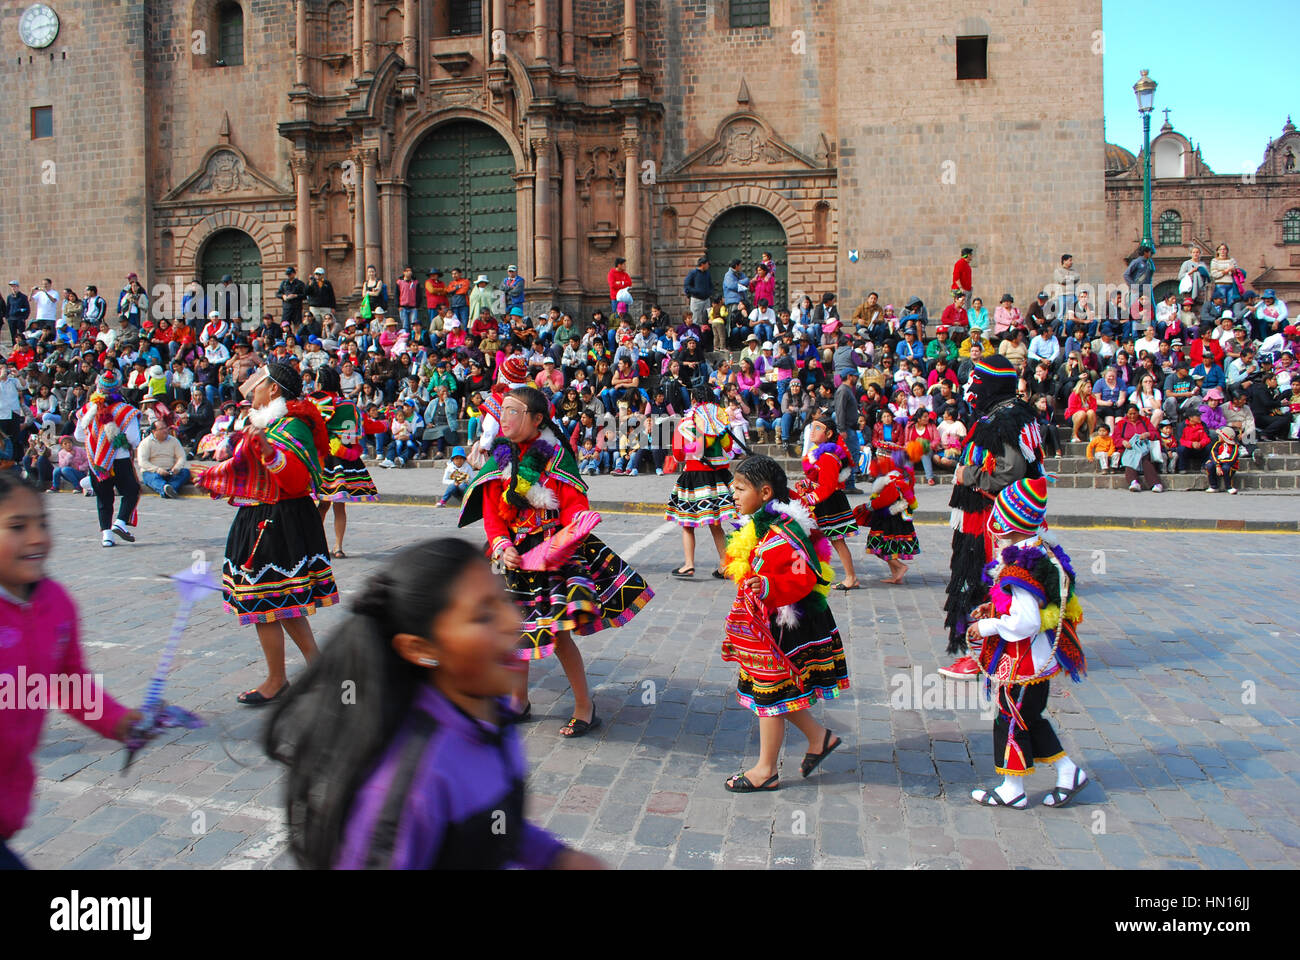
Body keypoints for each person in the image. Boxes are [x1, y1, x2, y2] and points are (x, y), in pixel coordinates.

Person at [262, 538, 603, 870]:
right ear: (421, 649)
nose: (513, 623)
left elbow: (495, 824)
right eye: (483, 616)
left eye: (506, 601)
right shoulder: (407, 784)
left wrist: (555, 857)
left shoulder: (490, 710)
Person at [457, 386, 652, 735]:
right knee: (512, 630)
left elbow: (574, 504)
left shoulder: (556, 457)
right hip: (512, 555)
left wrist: (574, 528)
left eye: (513, 411)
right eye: (502, 410)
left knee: (559, 636)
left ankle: (584, 706)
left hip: (552, 554)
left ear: (536, 419)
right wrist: (501, 544)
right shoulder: (499, 458)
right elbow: (491, 513)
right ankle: (518, 701)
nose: (504, 417)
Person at [0, 475, 144, 869]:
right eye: (17, 527)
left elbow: (69, 682)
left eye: (42, 523)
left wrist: (118, 721)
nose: (35, 538)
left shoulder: (56, 605)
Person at [197, 362, 337, 705]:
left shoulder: (293, 425)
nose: (251, 387)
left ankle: (277, 679)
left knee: (265, 600)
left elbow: (295, 480)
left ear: (273, 388)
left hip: (277, 521)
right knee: (282, 601)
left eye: (258, 382)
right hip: (263, 516)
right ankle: (318, 669)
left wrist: (270, 452)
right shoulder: (270, 424)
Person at [721, 455, 849, 792]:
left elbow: (804, 575)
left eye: (740, 488)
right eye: (733, 487)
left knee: (771, 696)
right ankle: (819, 738)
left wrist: (767, 586)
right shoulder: (761, 522)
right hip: (768, 623)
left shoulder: (783, 532)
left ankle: (766, 771)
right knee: (782, 692)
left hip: (785, 625)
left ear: (764, 493)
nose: (732, 494)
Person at [967, 477, 1088, 809]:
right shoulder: (1042, 551)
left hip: (1024, 660)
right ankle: (1068, 772)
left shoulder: (1019, 567)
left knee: (1010, 719)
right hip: (1040, 657)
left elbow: (1026, 621)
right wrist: (994, 608)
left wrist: (988, 625)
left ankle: (1012, 787)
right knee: (1029, 717)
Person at [941, 354, 1045, 681]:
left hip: (991, 521)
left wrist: (967, 474)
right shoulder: (1000, 415)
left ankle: (983, 654)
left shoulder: (1005, 420)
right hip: (986, 517)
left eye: (977, 380)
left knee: (986, 583)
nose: (971, 386)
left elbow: (1009, 472)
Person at [666, 385, 740, 578]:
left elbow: (679, 454)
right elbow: (729, 446)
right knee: (716, 523)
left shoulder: (687, 422)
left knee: (687, 523)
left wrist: (695, 446)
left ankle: (689, 564)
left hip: (695, 476)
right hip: (718, 476)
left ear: (693, 401)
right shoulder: (720, 420)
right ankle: (725, 564)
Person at [309, 365, 382, 559]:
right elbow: (367, 426)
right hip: (347, 461)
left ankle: (314, 545)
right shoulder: (349, 405)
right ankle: (338, 547)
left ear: (321, 382)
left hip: (326, 460)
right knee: (339, 505)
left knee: (323, 504)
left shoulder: (317, 402)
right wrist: (385, 424)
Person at [73, 369, 143, 548]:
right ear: (118, 389)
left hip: (97, 461)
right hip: (119, 460)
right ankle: (120, 522)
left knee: (103, 498)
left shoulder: (87, 409)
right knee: (131, 490)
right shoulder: (126, 411)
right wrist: (114, 443)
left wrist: (98, 440)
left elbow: (79, 436)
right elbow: (134, 439)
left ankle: (107, 536)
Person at [795, 413, 859, 590]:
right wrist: (807, 485)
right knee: (814, 538)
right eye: (812, 428)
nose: (812, 432)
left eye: (818, 428)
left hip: (830, 503)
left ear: (829, 433)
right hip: (824, 501)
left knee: (837, 540)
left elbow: (827, 486)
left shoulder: (829, 456)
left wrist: (807, 498)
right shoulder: (823, 455)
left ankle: (851, 576)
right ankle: (810, 573)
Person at [854, 452, 920, 584]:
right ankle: (896, 574)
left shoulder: (892, 481)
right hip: (898, 518)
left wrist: (867, 506)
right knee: (890, 547)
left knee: (881, 547)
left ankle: (900, 567)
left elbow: (884, 500)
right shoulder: (903, 478)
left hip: (888, 520)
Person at [136, 420, 192, 499]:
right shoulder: (145, 443)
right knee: (153, 478)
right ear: (154, 431)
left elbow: (181, 456)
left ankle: (169, 488)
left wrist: (177, 467)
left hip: (170, 471)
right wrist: (157, 470)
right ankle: (165, 488)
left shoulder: (174, 441)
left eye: (166, 428)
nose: (165, 431)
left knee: (185, 472)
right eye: (161, 429)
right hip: (153, 472)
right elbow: (142, 462)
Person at [1113, 404, 1163, 492]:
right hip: (1128, 449)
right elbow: (1115, 438)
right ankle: (1133, 482)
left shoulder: (1145, 421)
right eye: (1130, 414)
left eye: (1134, 414)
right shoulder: (1121, 423)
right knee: (1130, 459)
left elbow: (1156, 434)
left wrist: (1148, 434)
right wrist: (1123, 442)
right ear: (1126, 414)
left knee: (1145, 460)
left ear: (1138, 413)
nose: (1132, 416)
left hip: (1143, 448)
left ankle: (1155, 483)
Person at [1205, 426, 1241, 493]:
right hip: (1218, 463)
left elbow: (1232, 459)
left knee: (1226, 468)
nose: (1218, 436)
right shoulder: (1217, 444)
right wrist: (1217, 464)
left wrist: (1220, 463)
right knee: (1209, 465)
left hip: (1228, 464)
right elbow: (1213, 454)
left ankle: (1229, 487)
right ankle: (1213, 486)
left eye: (1220, 435)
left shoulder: (1234, 447)